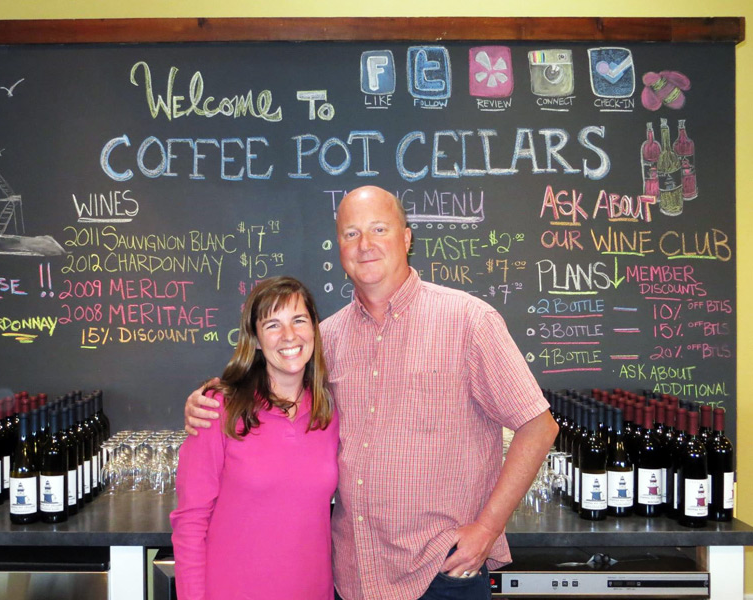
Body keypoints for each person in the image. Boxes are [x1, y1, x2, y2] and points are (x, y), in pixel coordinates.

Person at [185, 186, 558, 600]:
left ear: (406, 238)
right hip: (353, 575)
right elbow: (271, 380)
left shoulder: (468, 321)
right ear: (339, 247)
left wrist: (488, 529)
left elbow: (538, 427)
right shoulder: (326, 339)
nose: (364, 245)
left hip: (440, 571)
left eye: (378, 229)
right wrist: (211, 395)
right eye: (351, 234)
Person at [170, 276, 339, 600]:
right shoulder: (218, 409)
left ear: (314, 328)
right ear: (257, 339)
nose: (289, 336)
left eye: (299, 320)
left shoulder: (328, 412)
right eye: (273, 324)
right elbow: (190, 522)